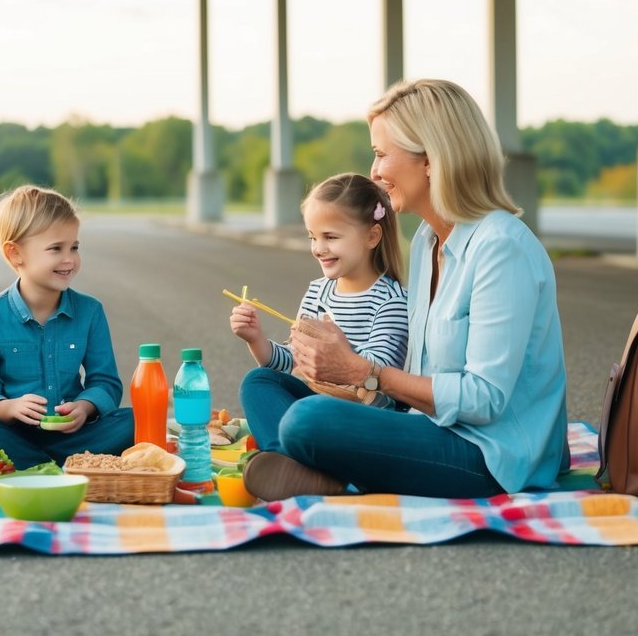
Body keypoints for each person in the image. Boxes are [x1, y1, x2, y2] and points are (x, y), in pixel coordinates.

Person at [242, 79, 568, 501]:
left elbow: (483, 400)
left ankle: (314, 467)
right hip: (432, 427)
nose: (374, 171)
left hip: (489, 454)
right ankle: (306, 468)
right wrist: (360, 393)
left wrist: (362, 372)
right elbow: (418, 382)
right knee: (267, 383)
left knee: (309, 419)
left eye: (381, 154)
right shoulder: (429, 243)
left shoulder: (501, 249)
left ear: (431, 159)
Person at [0, 185, 134, 469]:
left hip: (75, 434)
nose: (69, 259)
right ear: (15, 254)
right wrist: (9, 408)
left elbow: (106, 382)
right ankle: (60, 467)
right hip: (13, 435)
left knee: (133, 421)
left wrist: (85, 408)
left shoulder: (90, 312)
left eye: (74, 247)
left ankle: (41, 467)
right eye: (56, 249)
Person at [233, 173, 409, 457]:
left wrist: (336, 348)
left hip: (362, 416)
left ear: (371, 236)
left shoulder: (391, 301)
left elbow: (381, 374)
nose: (318, 248)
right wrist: (256, 339)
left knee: (311, 410)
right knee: (258, 382)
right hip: (315, 404)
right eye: (313, 237)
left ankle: (302, 458)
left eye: (330, 237)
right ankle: (283, 459)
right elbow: (292, 360)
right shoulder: (318, 292)